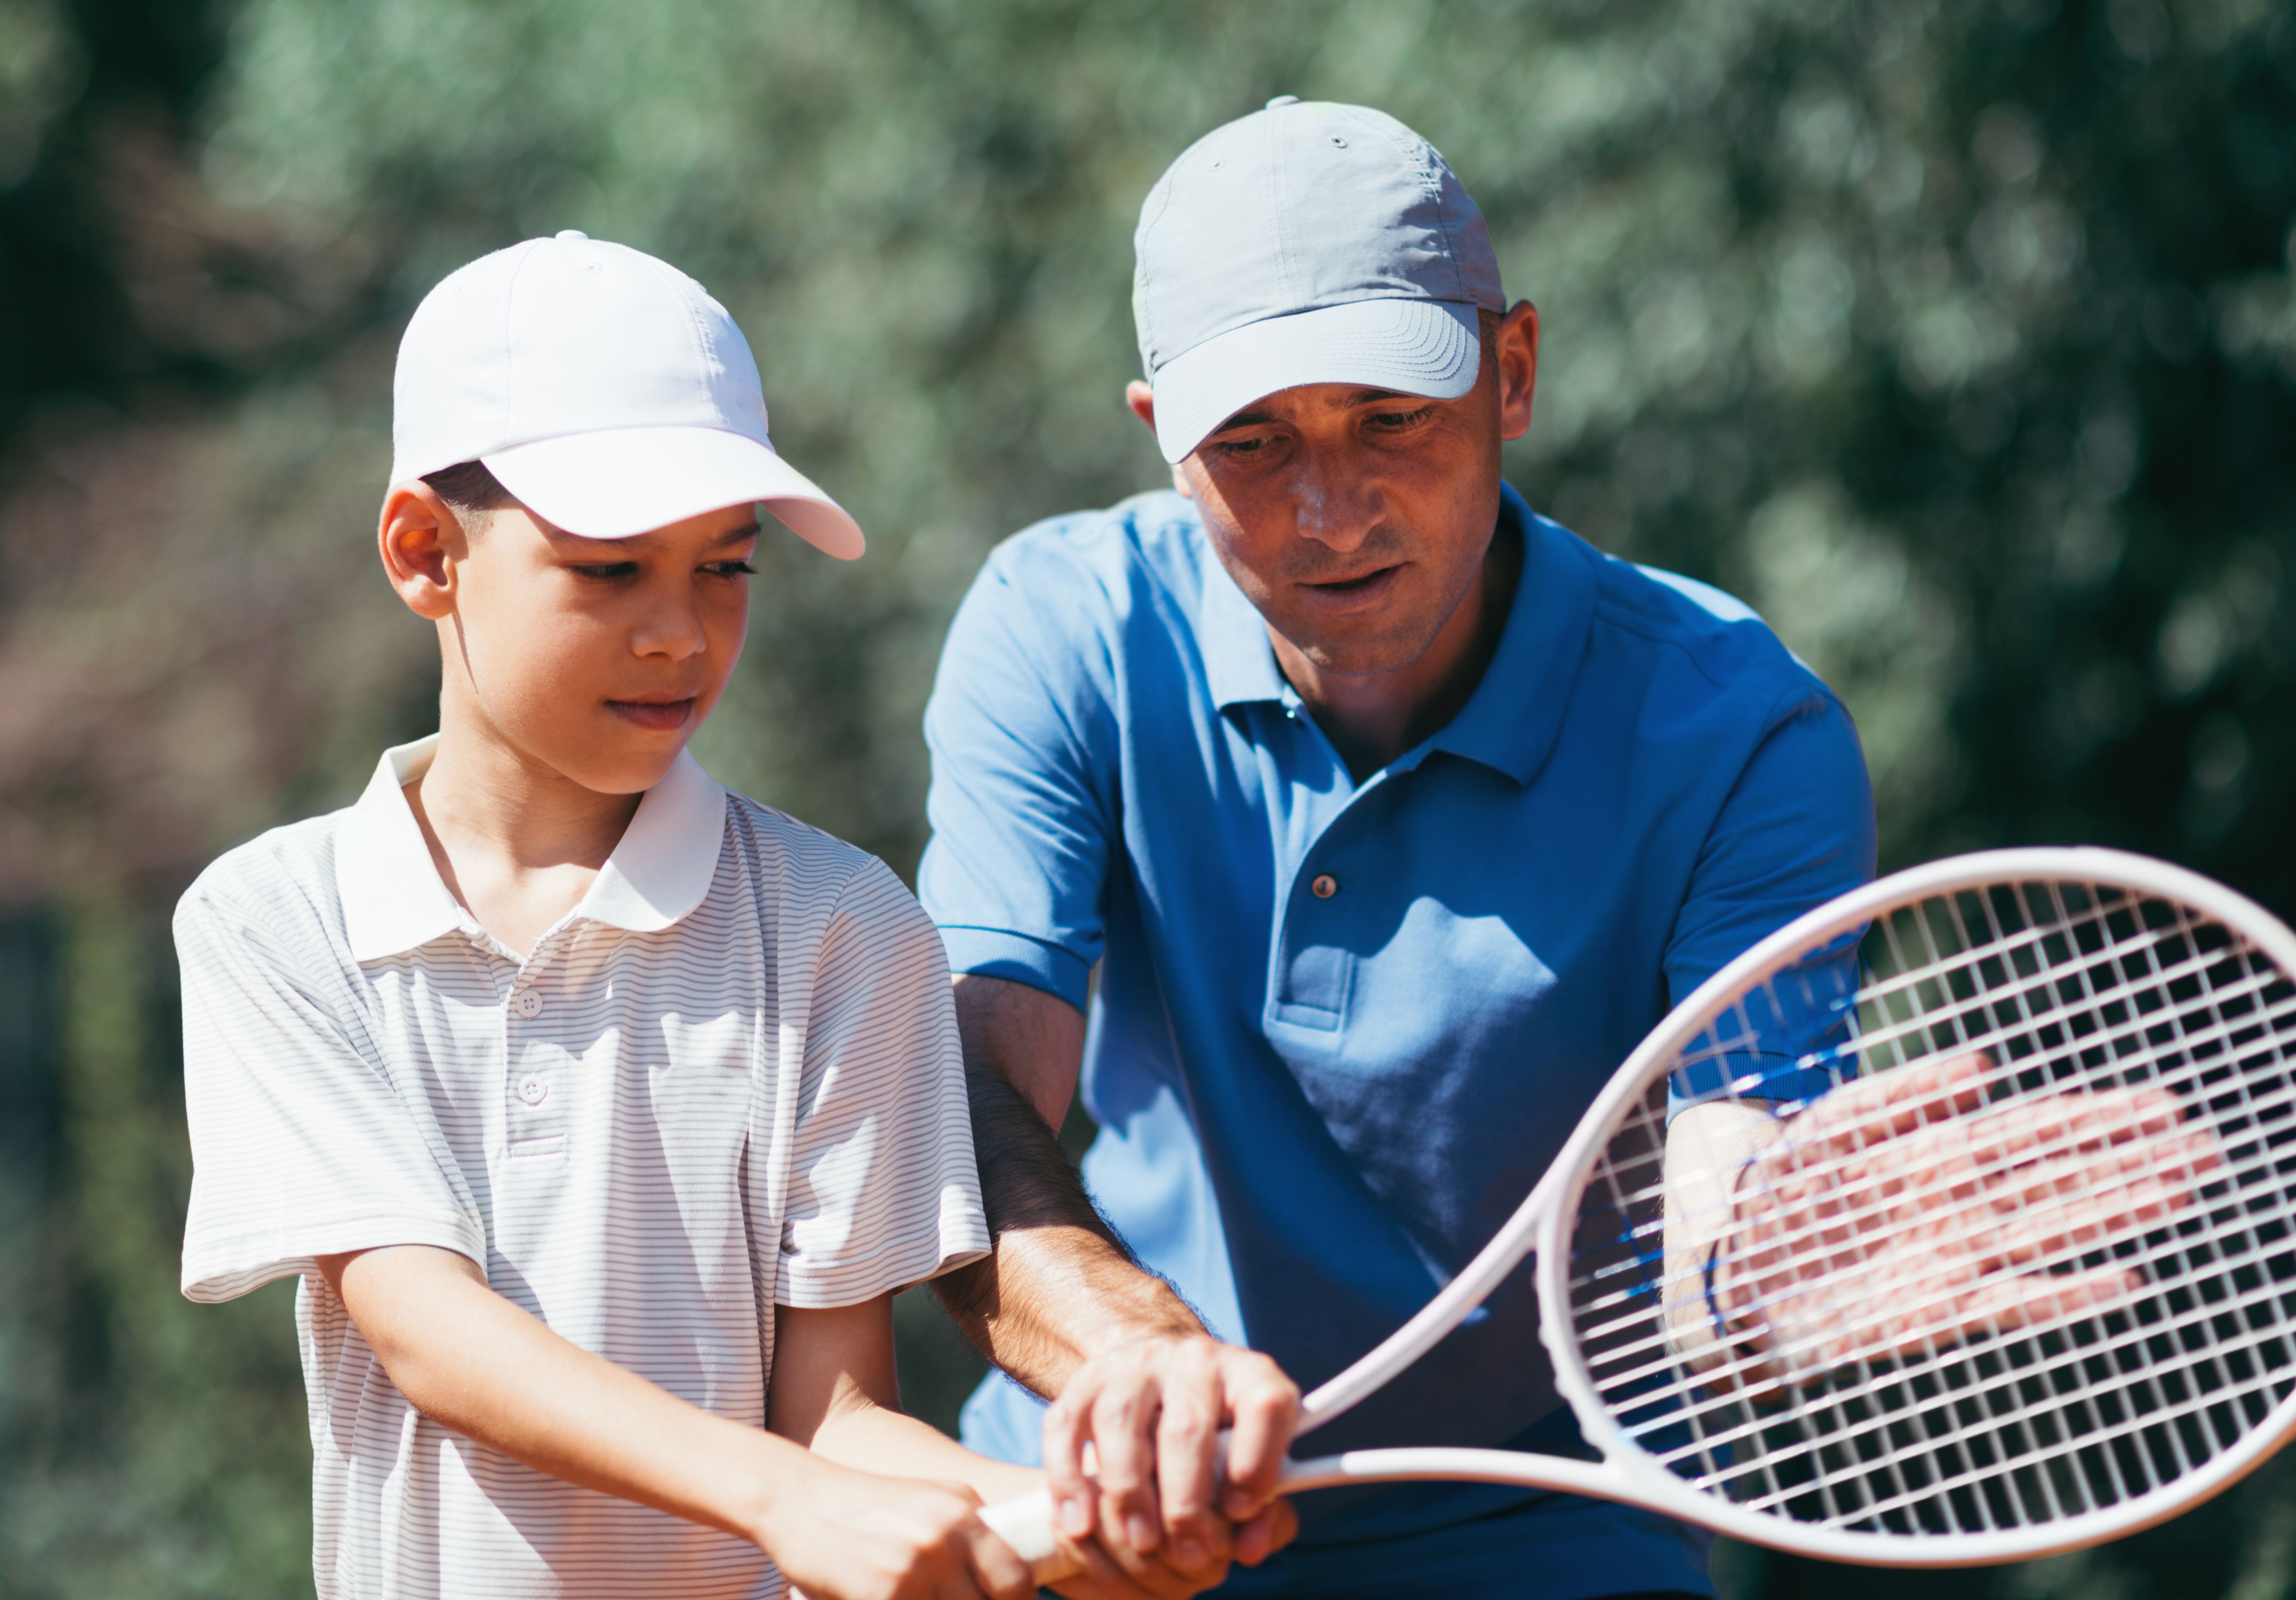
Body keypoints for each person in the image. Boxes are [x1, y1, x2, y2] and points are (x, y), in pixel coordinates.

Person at [914, 100, 1880, 1598]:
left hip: (1549, 1537)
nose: (1330, 510)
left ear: (1513, 374)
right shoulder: (1063, 631)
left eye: (1390, 418)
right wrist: (1139, 1368)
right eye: (1252, 440)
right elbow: (965, 1107)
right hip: (1094, 1488)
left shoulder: (1745, 735)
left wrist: (1767, 1289)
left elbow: (1724, 1219)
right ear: (1160, 438)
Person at [174, 232, 1217, 1600]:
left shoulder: (844, 925)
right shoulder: (276, 920)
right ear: (425, 551)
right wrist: (791, 1498)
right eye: (610, 571)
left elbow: (836, 1420)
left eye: (727, 568)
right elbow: (426, 1331)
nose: (682, 633)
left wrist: (1077, 1520)